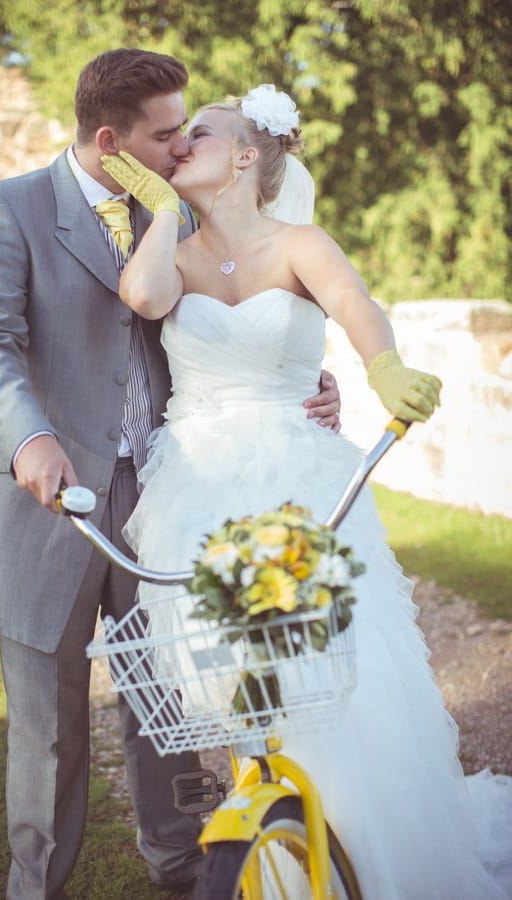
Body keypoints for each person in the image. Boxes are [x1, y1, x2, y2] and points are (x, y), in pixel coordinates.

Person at [0, 51, 341, 899]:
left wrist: (312, 380)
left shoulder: (179, 214)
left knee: (166, 702)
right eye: (167, 134)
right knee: (48, 730)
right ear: (108, 136)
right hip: (44, 502)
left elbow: (244, 309)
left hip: (159, 496)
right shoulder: (8, 208)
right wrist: (26, 439)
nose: (180, 146)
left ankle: (183, 869)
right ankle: (36, 886)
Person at [102, 84, 512, 898]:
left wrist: (382, 366)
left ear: (247, 156)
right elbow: (143, 300)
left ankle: (374, 849)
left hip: (296, 473)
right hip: (196, 485)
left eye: (201, 135)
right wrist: (154, 212)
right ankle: (277, 847)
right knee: (239, 687)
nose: (179, 146)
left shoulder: (300, 241)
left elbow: (355, 304)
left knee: (338, 679)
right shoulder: (174, 253)